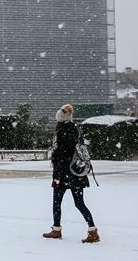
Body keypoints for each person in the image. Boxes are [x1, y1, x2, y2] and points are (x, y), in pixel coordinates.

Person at [43, 104, 100, 243]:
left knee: (57, 202)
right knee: (79, 203)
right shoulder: (75, 129)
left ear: (61, 119)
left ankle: (57, 230)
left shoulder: (63, 131)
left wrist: (56, 171)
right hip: (76, 173)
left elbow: (61, 155)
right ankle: (92, 230)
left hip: (64, 174)